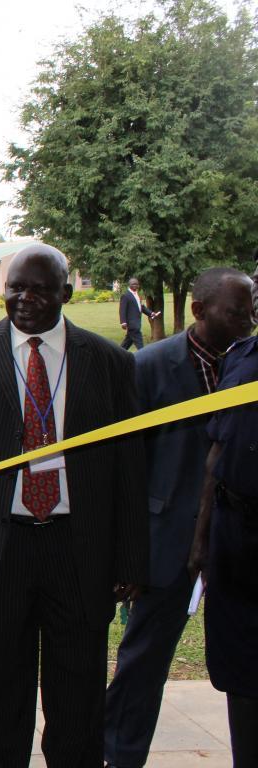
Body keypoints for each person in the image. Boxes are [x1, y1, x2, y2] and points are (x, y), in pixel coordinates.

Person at [0, 243, 147, 767]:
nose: (25, 299)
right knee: (1, 692)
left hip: (80, 546)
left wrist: (131, 556)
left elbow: (129, 467)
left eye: (40, 289)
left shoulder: (110, 362)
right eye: (15, 288)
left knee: (78, 694)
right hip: (1, 547)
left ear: (66, 294)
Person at [104, 268, 255, 768]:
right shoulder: (148, 367)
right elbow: (122, 466)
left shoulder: (247, 365)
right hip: (165, 544)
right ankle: (121, 756)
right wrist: (127, 546)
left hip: (236, 546)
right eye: (237, 313)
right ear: (199, 312)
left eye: (252, 311)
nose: (248, 322)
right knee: (142, 665)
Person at [188, 327, 258, 768]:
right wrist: (202, 538)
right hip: (236, 536)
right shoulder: (240, 357)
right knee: (240, 667)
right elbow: (217, 451)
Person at [119, 277, 160, 351]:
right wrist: (123, 322)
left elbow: (141, 307)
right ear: (130, 285)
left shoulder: (137, 294)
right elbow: (122, 310)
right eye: (133, 284)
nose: (136, 286)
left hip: (136, 323)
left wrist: (151, 313)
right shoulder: (126, 295)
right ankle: (144, 357)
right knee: (140, 344)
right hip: (132, 324)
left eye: (137, 284)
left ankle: (117, 354)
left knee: (126, 343)